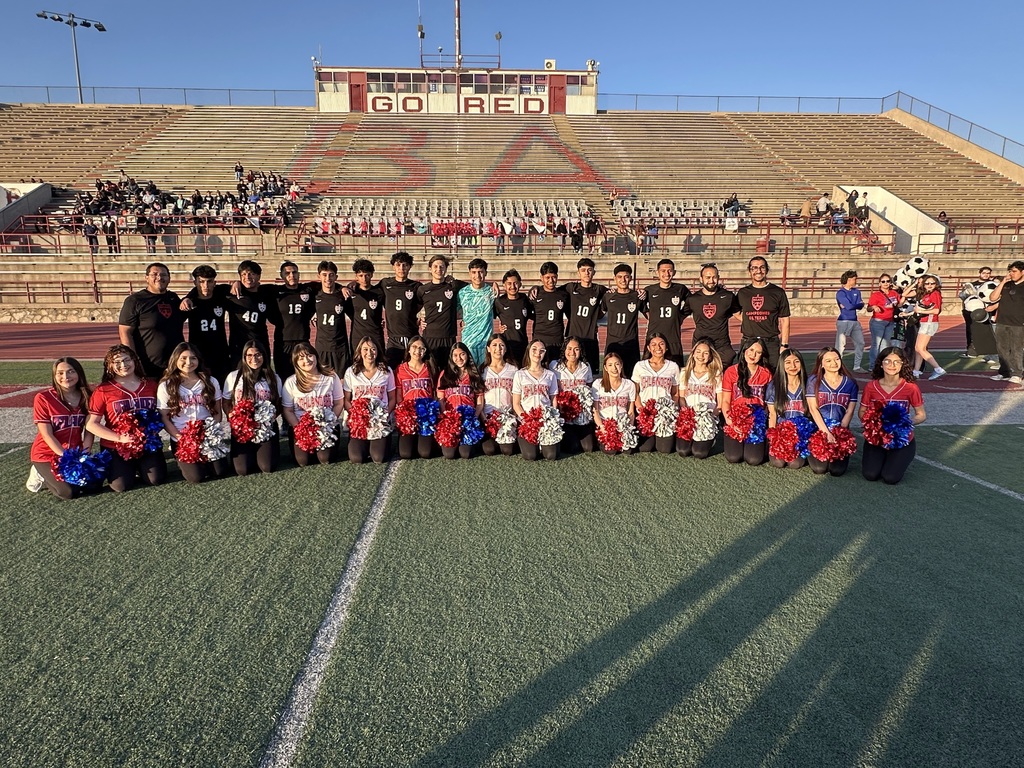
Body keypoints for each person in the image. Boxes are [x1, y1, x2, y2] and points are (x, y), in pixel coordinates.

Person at [86, 345, 167, 492]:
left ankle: (140, 466)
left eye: (126, 360)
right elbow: (92, 424)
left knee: (156, 479)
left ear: (134, 361)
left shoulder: (151, 385)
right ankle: (130, 468)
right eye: (117, 363)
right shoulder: (103, 390)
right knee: (120, 486)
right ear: (109, 366)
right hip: (116, 446)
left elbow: (163, 414)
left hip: (147, 444)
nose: (123, 365)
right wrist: (120, 438)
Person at [27, 357, 101, 500]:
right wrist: (66, 457)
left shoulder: (88, 396)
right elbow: (47, 434)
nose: (65, 377)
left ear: (79, 373)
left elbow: (89, 429)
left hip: (75, 452)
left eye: (70, 372)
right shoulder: (43, 398)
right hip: (46, 453)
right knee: (68, 493)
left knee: (93, 486)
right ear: (54, 376)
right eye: (60, 373)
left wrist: (84, 454)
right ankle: (40, 472)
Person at [157, 342, 228, 484]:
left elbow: (217, 413)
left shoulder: (210, 381)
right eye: (183, 358)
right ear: (175, 360)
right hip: (182, 438)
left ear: (199, 360)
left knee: (219, 472)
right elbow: (164, 417)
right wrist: (180, 437)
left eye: (193, 358)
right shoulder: (166, 385)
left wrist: (209, 434)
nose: (188, 362)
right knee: (196, 477)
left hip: (207, 436)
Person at [859, 347, 925, 484]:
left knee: (890, 478)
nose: (892, 365)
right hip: (877, 439)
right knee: (870, 474)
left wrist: (904, 423)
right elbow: (861, 412)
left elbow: (921, 415)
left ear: (902, 364)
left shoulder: (910, 387)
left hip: (901, 440)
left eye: (896, 362)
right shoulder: (871, 386)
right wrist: (873, 423)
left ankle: (900, 455)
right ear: (881, 364)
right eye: (887, 361)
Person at [223, 340, 282, 475]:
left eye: (258, 354)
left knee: (267, 467)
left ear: (264, 356)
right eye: (249, 355)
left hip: (265, 428)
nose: (254, 359)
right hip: (243, 429)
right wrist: (233, 416)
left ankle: (267, 450)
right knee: (242, 470)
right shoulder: (233, 377)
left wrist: (270, 417)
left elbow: (279, 403)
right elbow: (226, 402)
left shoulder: (273, 378)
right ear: (244, 357)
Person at [281, 342, 345, 467]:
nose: (306, 360)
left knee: (324, 458)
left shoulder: (330, 377)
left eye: (309, 355)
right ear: (296, 362)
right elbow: (288, 410)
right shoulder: (291, 382)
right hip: (302, 428)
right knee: (303, 461)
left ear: (315, 356)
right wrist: (300, 429)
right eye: (301, 358)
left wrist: (329, 423)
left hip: (326, 427)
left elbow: (338, 403)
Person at [117, 262, 185, 378]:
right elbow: (125, 332)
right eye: (155, 274)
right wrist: (134, 360)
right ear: (146, 278)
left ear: (169, 278)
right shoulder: (135, 300)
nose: (159, 278)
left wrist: (188, 299)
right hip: (149, 367)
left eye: (163, 275)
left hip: (176, 366)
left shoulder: (173, 298)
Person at [806, 347, 859, 476]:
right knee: (819, 469)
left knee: (837, 471)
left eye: (836, 359)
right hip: (819, 429)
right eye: (828, 360)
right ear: (821, 364)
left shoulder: (850, 383)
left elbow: (850, 411)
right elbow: (813, 409)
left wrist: (839, 433)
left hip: (840, 430)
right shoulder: (813, 381)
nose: (834, 363)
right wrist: (826, 433)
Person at [343, 337, 397, 464]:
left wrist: (384, 416)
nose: (369, 353)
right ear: (360, 352)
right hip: (360, 423)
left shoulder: (386, 371)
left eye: (373, 349)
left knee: (379, 458)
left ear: (378, 351)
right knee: (357, 458)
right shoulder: (351, 371)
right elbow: (346, 400)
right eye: (365, 349)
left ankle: (384, 439)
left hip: (379, 422)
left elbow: (393, 398)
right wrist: (357, 416)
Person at [720, 337, 772, 466]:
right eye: (751, 350)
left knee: (754, 460)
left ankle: (762, 444)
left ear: (762, 355)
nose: (753, 355)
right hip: (735, 418)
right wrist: (730, 422)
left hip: (756, 420)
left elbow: (769, 403)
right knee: (733, 457)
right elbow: (725, 401)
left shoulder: (766, 373)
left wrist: (762, 422)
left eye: (758, 352)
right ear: (744, 350)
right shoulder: (731, 371)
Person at [736, 256, 791, 370]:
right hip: (748, 341)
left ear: (766, 270)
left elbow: (785, 320)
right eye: (754, 268)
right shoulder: (742, 293)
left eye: (762, 267)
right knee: (747, 376)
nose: (758, 271)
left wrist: (784, 345)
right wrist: (747, 320)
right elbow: (735, 311)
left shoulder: (777, 292)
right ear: (750, 271)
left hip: (771, 343)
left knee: (772, 378)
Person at [182, 265, 231, 385]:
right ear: (195, 282)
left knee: (223, 388)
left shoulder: (221, 296)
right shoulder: (189, 302)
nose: (205, 286)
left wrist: (236, 283)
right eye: (201, 282)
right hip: (198, 354)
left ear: (214, 282)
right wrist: (188, 297)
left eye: (209, 282)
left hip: (220, 354)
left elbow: (231, 287)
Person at [683, 263, 740, 367]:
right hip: (701, 343)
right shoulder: (693, 299)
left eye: (714, 277)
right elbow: (678, 317)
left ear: (718, 278)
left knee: (723, 374)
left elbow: (740, 315)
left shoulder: (728, 296)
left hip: (722, 344)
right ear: (701, 279)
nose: (711, 281)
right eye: (708, 277)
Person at [632, 333, 680, 453]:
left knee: (665, 449)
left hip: (664, 414)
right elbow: (635, 391)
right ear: (648, 348)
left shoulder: (673, 366)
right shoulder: (640, 365)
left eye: (661, 344)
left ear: (667, 347)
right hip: (645, 412)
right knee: (645, 448)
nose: (658, 347)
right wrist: (641, 409)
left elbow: (675, 392)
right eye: (653, 344)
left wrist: (670, 410)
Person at [436, 342, 485, 459]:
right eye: (455, 355)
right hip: (451, 419)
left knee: (466, 454)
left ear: (467, 355)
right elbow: (440, 399)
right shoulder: (445, 374)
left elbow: (479, 401)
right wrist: (447, 417)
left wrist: (474, 417)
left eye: (462, 354)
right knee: (449, 454)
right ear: (451, 357)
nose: (459, 358)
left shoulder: (474, 374)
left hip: (468, 419)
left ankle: (475, 441)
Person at [513, 340, 560, 461]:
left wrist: (552, 419)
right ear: (528, 351)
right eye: (534, 349)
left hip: (545, 420)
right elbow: (516, 403)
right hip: (527, 421)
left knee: (551, 455)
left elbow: (553, 399)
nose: (537, 353)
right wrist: (526, 420)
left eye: (541, 350)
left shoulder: (550, 375)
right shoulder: (520, 374)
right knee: (531, 456)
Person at [271, 261, 318, 381]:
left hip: (303, 340)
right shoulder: (274, 291)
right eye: (287, 273)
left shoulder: (308, 289)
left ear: (299, 274)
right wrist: (237, 283)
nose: (292, 275)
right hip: (283, 343)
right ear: (281, 276)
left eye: (294, 272)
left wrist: (345, 287)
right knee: (283, 377)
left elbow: (328, 284)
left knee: (306, 377)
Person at [676, 338, 723, 459]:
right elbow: (681, 397)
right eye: (698, 351)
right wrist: (686, 413)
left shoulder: (716, 373)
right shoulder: (685, 372)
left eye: (705, 353)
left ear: (710, 356)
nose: (701, 356)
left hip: (706, 418)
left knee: (699, 453)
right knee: (683, 451)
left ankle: (711, 436)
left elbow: (720, 400)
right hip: (689, 417)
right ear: (693, 353)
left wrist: (713, 415)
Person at [766, 348, 810, 469]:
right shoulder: (774, 386)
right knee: (778, 463)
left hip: (801, 435)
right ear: (782, 365)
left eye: (796, 361)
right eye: (788, 362)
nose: (793, 366)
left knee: (795, 464)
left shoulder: (809, 384)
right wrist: (773, 438)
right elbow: (772, 415)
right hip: (781, 433)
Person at [378, 251, 423, 370]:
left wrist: (424, 317)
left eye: (405, 265)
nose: (401, 268)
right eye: (398, 265)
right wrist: (353, 285)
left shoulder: (416, 287)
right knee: (390, 372)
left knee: (417, 369)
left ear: (410, 267)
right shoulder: (385, 284)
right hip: (394, 339)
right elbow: (369, 292)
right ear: (393, 266)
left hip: (412, 337)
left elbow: (430, 302)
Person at [551, 337, 596, 454]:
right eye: (569, 348)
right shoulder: (555, 366)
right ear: (564, 350)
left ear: (580, 351)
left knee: (589, 448)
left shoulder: (585, 367)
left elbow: (589, 388)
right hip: (563, 415)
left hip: (581, 416)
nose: (572, 352)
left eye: (576, 349)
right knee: (573, 448)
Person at [393, 336, 436, 459]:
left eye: (422, 348)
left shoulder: (430, 368)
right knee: (406, 454)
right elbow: (399, 394)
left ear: (426, 351)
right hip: (409, 414)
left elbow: (434, 393)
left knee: (425, 453)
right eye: (414, 347)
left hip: (425, 415)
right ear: (409, 349)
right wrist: (403, 414)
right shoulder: (400, 369)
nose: (418, 351)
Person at [417, 254, 465, 363]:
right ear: (430, 269)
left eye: (442, 266)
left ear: (446, 269)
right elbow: (413, 308)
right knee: (431, 371)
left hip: (448, 337)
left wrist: (494, 284)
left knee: (449, 373)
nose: (438, 269)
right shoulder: (423, 290)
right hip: (430, 337)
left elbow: (475, 286)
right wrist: (419, 319)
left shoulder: (454, 286)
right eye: (435, 266)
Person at [644, 259, 690, 365]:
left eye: (669, 271)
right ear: (657, 272)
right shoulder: (649, 290)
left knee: (676, 371)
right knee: (650, 370)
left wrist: (680, 316)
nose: (666, 274)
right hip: (654, 337)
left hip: (673, 337)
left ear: (674, 272)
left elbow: (693, 302)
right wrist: (648, 315)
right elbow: (639, 305)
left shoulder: (681, 289)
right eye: (663, 271)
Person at [565, 258, 608, 371]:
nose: (586, 273)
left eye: (589, 270)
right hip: (573, 338)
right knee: (570, 371)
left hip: (590, 339)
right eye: (583, 270)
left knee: (591, 372)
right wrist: (535, 288)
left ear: (594, 272)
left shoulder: (599, 289)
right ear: (578, 272)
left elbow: (616, 295)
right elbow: (550, 290)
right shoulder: (570, 288)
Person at [603, 263, 645, 377]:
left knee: (632, 376)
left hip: (631, 343)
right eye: (619, 277)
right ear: (614, 278)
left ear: (630, 278)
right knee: (611, 376)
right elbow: (599, 314)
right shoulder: (608, 297)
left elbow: (649, 314)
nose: (623, 280)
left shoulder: (637, 296)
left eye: (626, 276)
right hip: (613, 343)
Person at [481, 333, 519, 457]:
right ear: (488, 348)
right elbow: (478, 398)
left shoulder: (513, 370)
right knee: (489, 450)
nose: (498, 348)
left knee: (508, 450)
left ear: (506, 348)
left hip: (507, 418)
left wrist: (513, 418)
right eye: (494, 345)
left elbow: (517, 397)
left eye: (502, 345)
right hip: (488, 418)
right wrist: (484, 419)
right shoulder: (482, 371)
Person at [591, 352, 637, 455]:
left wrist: (628, 429)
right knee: (610, 450)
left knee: (628, 450)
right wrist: (602, 428)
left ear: (621, 365)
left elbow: (631, 411)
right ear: (605, 368)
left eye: (617, 364)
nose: (614, 368)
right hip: (605, 425)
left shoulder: (629, 385)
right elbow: (596, 410)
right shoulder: (598, 384)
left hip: (622, 424)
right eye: (610, 365)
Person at [312, 260, 351, 376]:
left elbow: (357, 314)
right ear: (319, 276)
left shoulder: (343, 295)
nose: (328, 278)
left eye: (331, 275)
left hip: (340, 347)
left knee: (342, 381)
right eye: (324, 275)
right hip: (322, 347)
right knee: (323, 380)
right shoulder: (314, 295)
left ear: (336, 276)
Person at [989, 261, 1024, 385]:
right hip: (1002, 321)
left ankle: (1017, 374)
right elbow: (992, 298)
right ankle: (1004, 372)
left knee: (1016, 349)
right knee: (1002, 348)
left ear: (1022, 272)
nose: (1011, 274)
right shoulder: (1007, 285)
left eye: (1014, 271)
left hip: (1019, 323)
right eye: (1010, 271)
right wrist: (1003, 282)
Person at [530, 262, 570, 365]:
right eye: (547, 277)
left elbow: (571, 315)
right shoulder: (536, 294)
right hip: (540, 341)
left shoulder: (563, 295)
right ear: (541, 278)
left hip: (557, 341)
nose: (551, 280)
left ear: (557, 277)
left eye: (553, 277)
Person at [458, 258, 494, 366]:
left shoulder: (492, 291)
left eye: (480, 272)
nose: (477, 275)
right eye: (474, 272)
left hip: (486, 343)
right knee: (470, 375)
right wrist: (462, 321)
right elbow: (455, 312)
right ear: (469, 273)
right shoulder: (462, 293)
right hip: (468, 342)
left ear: (485, 273)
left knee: (484, 375)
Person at [347, 259, 386, 359]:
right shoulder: (352, 292)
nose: (364, 279)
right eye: (360, 275)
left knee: (378, 363)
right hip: (357, 335)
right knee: (357, 364)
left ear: (372, 275)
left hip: (375, 334)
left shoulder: (379, 292)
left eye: (367, 275)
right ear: (356, 276)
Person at [494, 269, 533, 367]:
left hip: (523, 345)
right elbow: (488, 317)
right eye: (509, 283)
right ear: (504, 285)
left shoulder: (525, 299)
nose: (512, 286)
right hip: (507, 346)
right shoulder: (499, 302)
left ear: (520, 284)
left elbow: (536, 315)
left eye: (515, 283)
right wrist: (499, 327)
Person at [912, 275, 946, 380]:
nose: (929, 285)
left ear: (936, 284)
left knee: (920, 348)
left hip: (929, 322)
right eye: (927, 283)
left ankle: (938, 368)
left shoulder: (935, 294)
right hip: (925, 322)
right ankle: (916, 371)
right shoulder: (927, 294)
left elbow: (936, 310)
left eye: (932, 283)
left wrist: (921, 311)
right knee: (918, 348)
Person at [835, 270, 867, 372]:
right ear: (849, 280)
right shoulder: (841, 293)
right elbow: (850, 306)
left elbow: (859, 306)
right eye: (854, 279)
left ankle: (857, 366)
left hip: (854, 321)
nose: (856, 280)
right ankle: (837, 367)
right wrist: (857, 305)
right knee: (840, 345)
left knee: (860, 343)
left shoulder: (856, 291)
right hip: (844, 321)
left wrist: (856, 305)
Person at [959, 266, 994, 358]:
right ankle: (970, 351)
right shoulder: (972, 284)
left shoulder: (992, 285)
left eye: (988, 273)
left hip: (984, 311)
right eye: (984, 273)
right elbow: (963, 296)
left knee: (985, 331)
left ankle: (986, 351)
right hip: (970, 310)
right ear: (980, 273)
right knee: (970, 330)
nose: (986, 275)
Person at [866, 274, 900, 369]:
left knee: (885, 345)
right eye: (883, 281)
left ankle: (882, 364)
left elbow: (900, 303)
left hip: (890, 321)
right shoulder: (876, 295)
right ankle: (873, 365)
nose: (886, 283)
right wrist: (873, 307)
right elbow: (868, 308)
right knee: (876, 343)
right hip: (878, 321)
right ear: (880, 283)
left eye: (888, 281)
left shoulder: (894, 293)